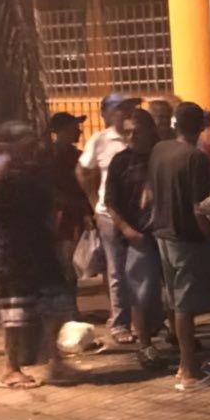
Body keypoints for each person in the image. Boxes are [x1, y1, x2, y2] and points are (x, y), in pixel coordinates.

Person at [0, 122, 74, 389]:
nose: (33, 147)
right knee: (16, 316)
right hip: (11, 256)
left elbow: (47, 211)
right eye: (26, 143)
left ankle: (55, 360)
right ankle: (11, 369)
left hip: (41, 251)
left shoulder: (36, 173)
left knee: (56, 305)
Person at [149, 102, 210, 391]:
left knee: (175, 299)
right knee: (185, 305)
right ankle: (188, 368)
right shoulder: (195, 158)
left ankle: (186, 364)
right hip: (187, 237)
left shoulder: (159, 149)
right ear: (201, 126)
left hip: (162, 232)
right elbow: (199, 207)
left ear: (175, 124)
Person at [77, 91, 141, 344]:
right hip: (109, 214)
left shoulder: (141, 137)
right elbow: (83, 171)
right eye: (121, 108)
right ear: (106, 114)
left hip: (138, 214)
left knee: (142, 268)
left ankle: (145, 320)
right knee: (117, 269)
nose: (127, 113)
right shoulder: (101, 140)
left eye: (130, 108)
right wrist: (94, 202)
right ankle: (121, 322)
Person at [105, 109, 165, 369]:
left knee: (172, 293)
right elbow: (111, 202)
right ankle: (145, 344)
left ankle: (177, 334)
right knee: (141, 292)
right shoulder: (121, 161)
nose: (131, 137)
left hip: (166, 233)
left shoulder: (163, 155)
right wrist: (127, 230)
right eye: (127, 132)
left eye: (136, 132)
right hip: (139, 236)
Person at [47, 112, 92, 311]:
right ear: (62, 131)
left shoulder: (77, 156)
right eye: (74, 127)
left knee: (71, 263)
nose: (79, 131)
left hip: (75, 214)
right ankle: (68, 309)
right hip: (62, 217)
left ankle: (70, 308)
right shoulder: (50, 157)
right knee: (65, 263)